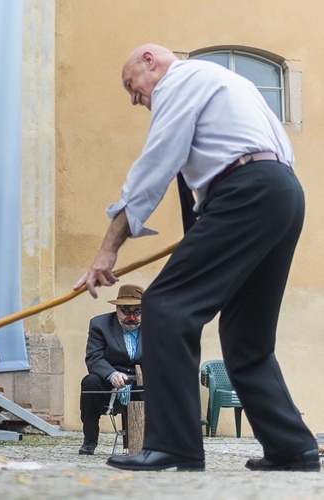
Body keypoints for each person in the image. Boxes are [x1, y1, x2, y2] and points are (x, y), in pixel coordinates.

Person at [74, 44, 319, 472]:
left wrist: (108, 249)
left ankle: (175, 444)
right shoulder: (224, 83)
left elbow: (156, 164)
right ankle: (291, 448)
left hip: (246, 193)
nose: (133, 99)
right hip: (280, 193)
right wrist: (202, 233)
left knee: (166, 306)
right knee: (247, 338)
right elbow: (193, 185)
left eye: (131, 86)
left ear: (150, 61)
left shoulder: (181, 80)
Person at [79, 284, 144, 456]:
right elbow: (94, 357)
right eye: (125, 311)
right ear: (116, 309)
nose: (131, 317)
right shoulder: (99, 324)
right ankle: (90, 441)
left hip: (143, 381)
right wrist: (111, 374)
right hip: (110, 381)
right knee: (89, 382)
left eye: (137, 312)